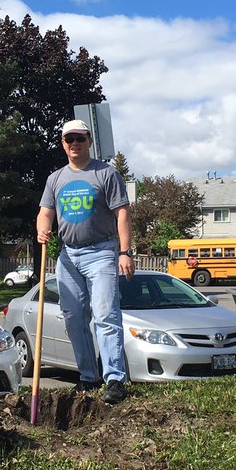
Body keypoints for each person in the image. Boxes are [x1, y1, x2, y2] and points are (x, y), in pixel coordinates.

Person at [36, 119, 135, 404]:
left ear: (89, 141)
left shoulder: (106, 173)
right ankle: (88, 376)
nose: (75, 143)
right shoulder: (55, 178)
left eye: (80, 138)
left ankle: (114, 378)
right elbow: (45, 212)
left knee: (105, 315)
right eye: (69, 139)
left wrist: (125, 252)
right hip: (68, 254)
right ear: (63, 144)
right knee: (73, 317)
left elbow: (123, 213)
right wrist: (43, 227)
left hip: (102, 251)